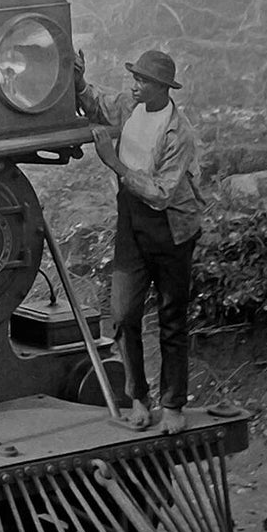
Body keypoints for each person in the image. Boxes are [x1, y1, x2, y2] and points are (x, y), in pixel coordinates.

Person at [76, 48, 204, 435]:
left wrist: (112, 162)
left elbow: (163, 192)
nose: (135, 86)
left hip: (170, 229)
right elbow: (99, 104)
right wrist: (78, 81)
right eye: (135, 78)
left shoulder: (178, 132)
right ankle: (138, 399)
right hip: (132, 221)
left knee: (171, 319)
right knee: (124, 314)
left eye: (143, 81)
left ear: (163, 88)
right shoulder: (131, 106)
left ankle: (174, 405)